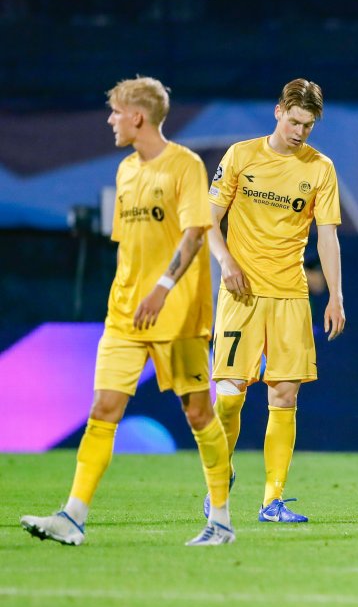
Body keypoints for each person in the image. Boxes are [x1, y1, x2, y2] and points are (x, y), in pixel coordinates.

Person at [21, 76, 234, 546]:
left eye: (116, 112)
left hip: (176, 313)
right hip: (125, 315)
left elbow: (194, 234)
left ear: (138, 116)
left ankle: (220, 520)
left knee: (199, 413)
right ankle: (73, 516)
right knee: (104, 408)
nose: (111, 120)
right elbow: (130, 246)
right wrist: (128, 294)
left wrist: (161, 288)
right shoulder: (125, 170)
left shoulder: (185, 165)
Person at [205, 78, 345, 523]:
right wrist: (226, 261)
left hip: (290, 295)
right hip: (241, 293)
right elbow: (208, 220)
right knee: (230, 394)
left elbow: (327, 236)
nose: (300, 132)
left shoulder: (320, 168)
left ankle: (272, 500)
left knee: (284, 395)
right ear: (278, 111)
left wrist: (336, 295)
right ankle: (220, 475)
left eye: (308, 125)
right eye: (294, 121)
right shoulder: (240, 156)